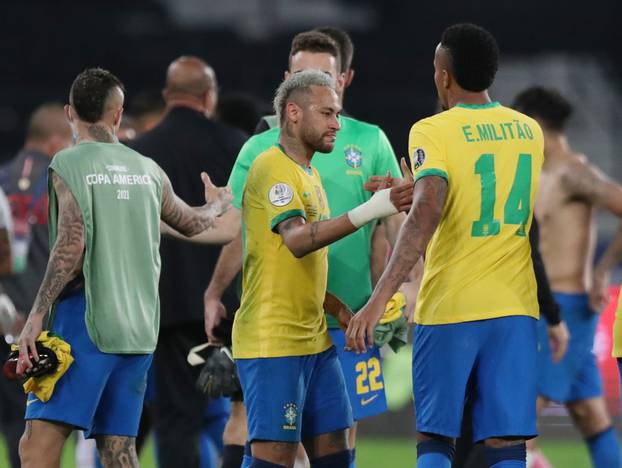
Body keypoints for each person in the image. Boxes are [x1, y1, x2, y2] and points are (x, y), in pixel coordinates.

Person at [346, 23, 554, 468]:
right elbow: (481, 193)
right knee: (507, 443)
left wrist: (378, 299)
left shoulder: (432, 130)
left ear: (444, 75)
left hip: (452, 305)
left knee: (436, 437)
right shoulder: (529, 131)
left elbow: (427, 212)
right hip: (514, 308)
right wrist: (418, 185)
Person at [203, 30, 410, 468]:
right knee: (274, 454)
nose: (338, 122)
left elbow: (311, 265)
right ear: (293, 113)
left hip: (318, 335)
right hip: (276, 340)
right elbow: (297, 241)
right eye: (327, 113)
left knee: (337, 446)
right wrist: (368, 209)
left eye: (338, 111)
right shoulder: (271, 165)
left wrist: (343, 310)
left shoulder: (310, 171)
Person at [15, 67, 232, 468]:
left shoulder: (70, 162)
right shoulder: (147, 171)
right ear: (118, 115)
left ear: (69, 112)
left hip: (87, 324)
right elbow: (193, 221)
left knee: (37, 444)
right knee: (118, 450)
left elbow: (70, 244)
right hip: (139, 331)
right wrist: (218, 203)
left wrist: (37, 314)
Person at [130, 55, 246, 468]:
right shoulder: (237, 146)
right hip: (231, 306)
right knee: (241, 412)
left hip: (168, 306)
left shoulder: (138, 154)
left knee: (178, 416)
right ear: (209, 95)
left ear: (167, 96)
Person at [514, 86, 622, 468]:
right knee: (590, 416)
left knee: (520, 417)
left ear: (536, 126)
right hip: (545, 306)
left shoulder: (574, 174)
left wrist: (602, 269)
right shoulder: (538, 174)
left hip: (567, 310)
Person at [0, 103, 72, 468]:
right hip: (45, 322)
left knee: (12, 419)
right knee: (42, 425)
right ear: (56, 142)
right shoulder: (62, 182)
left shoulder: (1, 179)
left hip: (4, 314)